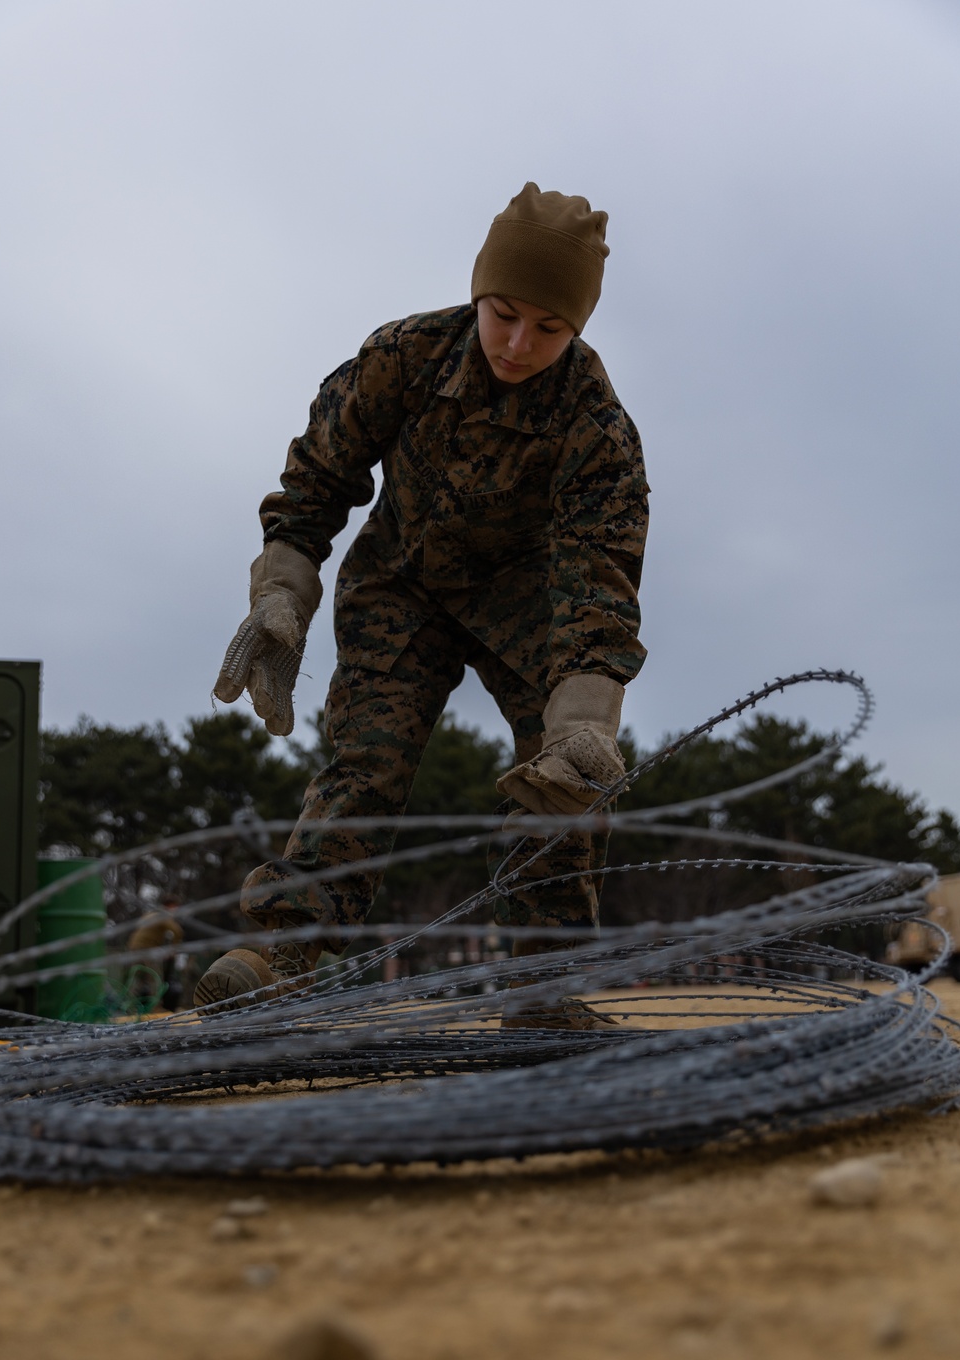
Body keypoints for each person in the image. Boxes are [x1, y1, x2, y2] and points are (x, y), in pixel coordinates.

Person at [197, 183, 650, 1027]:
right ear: (479, 291)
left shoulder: (599, 428)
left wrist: (586, 721)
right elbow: (315, 482)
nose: (518, 343)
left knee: (562, 784)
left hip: (531, 606)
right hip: (400, 585)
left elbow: (600, 581)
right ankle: (281, 959)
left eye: (549, 327)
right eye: (504, 313)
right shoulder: (403, 356)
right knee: (364, 767)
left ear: (578, 326)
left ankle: (541, 991)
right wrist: (283, 595)